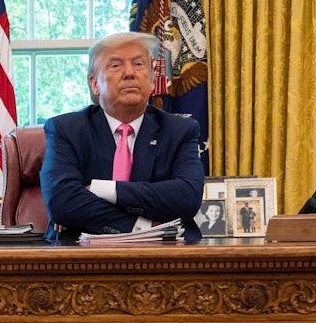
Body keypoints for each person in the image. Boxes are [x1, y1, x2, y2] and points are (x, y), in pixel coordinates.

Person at [40, 32, 205, 242]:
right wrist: (142, 227)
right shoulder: (66, 129)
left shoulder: (180, 130)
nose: (129, 73)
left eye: (138, 64)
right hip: (80, 258)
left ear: (153, 80)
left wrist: (100, 189)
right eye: (115, 65)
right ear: (94, 84)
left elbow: (186, 197)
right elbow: (62, 202)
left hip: (165, 258)